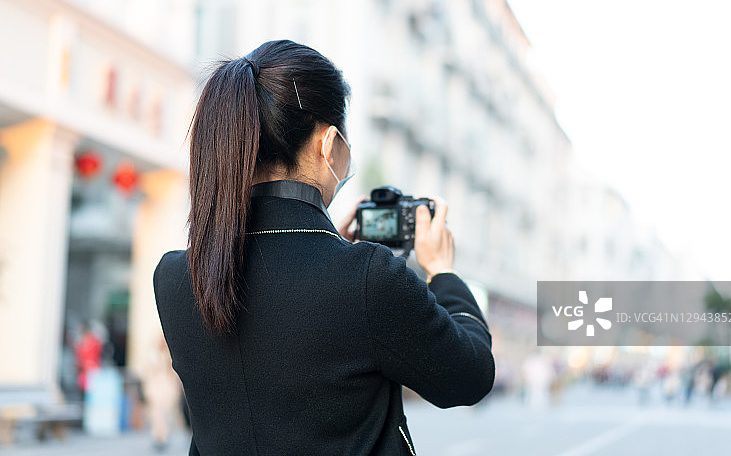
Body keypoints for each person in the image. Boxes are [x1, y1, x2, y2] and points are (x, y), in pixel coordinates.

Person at [153, 40, 494, 455]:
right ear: (329, 144)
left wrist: (337, 252)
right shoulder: (369, 278)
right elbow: (470, 375)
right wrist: (443, 272)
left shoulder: (173, 277)